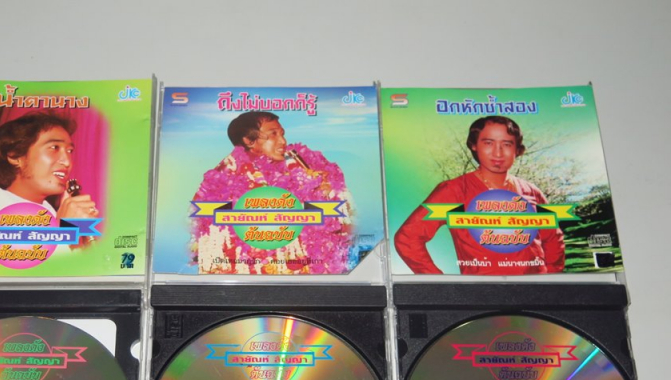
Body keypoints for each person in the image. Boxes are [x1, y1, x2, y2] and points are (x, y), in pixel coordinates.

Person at [394, 116, 565, 275]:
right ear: (474, 145)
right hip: (482, 292)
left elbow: (554, 240)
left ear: (517, 150)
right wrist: (439, 283)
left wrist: (549, 280)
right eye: (488, 143)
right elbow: (408, 238)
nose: (498, 153)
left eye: (507, 144)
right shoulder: (454, 191)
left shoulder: (532, 191)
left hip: (535, 289)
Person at [191, 111, 354, 274]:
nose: (283, 141)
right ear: (249, 141)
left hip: (309, 272)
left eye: (282, 134)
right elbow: (203, 226)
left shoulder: (304, 162)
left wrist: (329, 191)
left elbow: (344, 218)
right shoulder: (221, 179)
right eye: (273, 134)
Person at [0, 112, 98, 222]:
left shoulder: (56, 216)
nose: (67, 162)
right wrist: (64, 231)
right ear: (15, 156)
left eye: (70, 151)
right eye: (54, 148)